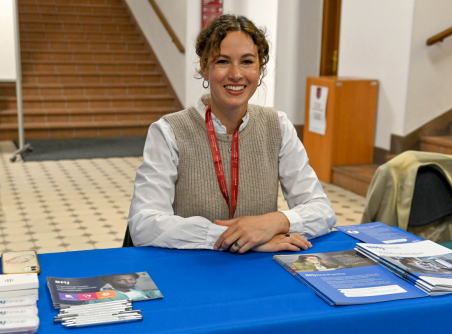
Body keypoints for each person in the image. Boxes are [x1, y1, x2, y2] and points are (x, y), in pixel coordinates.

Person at [128, 14, 336, 254]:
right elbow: (143, 224)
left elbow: (322, 210)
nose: (236, 74)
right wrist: (242, 239)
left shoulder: (277, 126)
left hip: (259, 270)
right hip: (193, 268)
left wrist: (273, 223)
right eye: (223, 61)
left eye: (247, 61)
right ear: (204, 68)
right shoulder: (168, 131)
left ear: (260, 69)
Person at [85, 273, 161, 304]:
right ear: (111, 282)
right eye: (121, 280)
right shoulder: (101, 294)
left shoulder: (138, 291)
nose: (129, 282)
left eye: (132, 279)